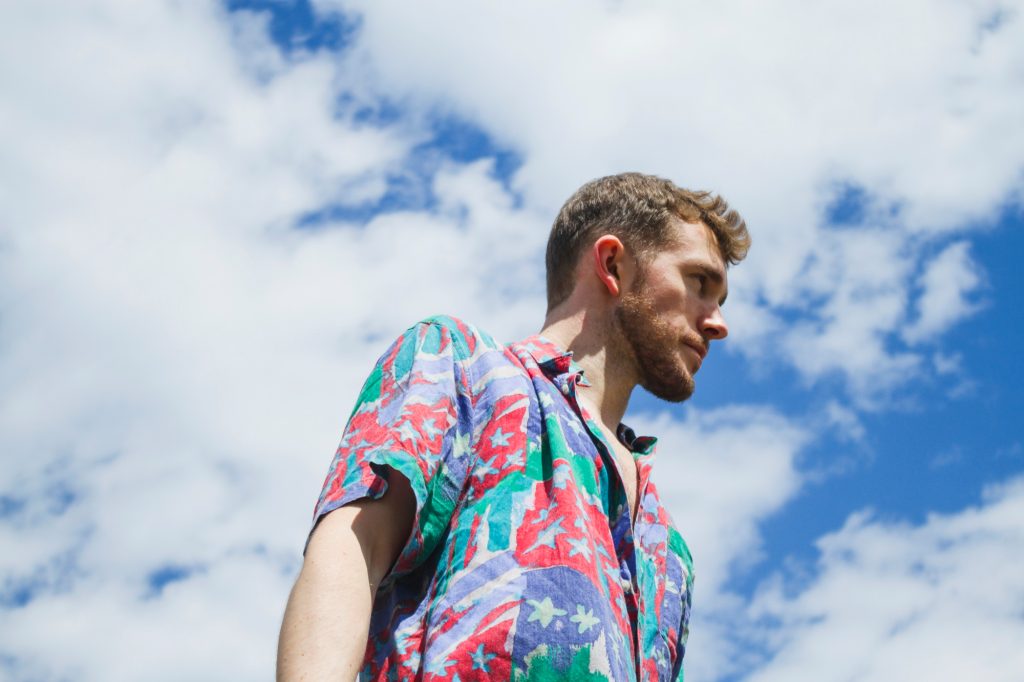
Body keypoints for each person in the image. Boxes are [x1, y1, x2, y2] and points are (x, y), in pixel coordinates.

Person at [277, 172, 750, 681]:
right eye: (699, 283)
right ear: (613, 264)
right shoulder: (462, 368)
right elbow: (353, 548)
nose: (717, 323)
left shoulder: (667, 546)